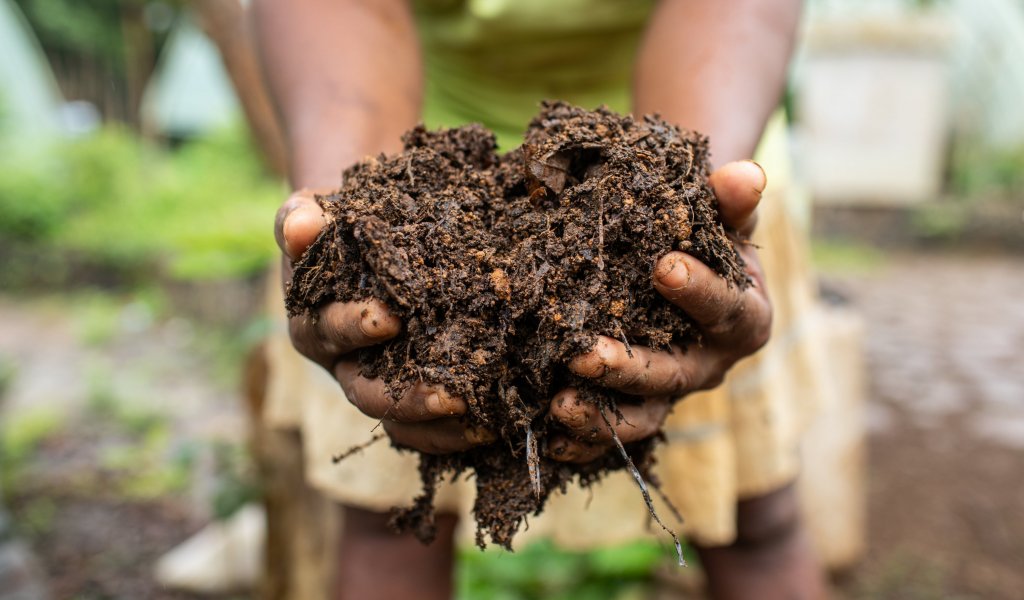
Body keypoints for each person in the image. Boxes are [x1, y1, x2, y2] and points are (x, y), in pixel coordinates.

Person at [252, 1, 828, 599]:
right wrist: (349, 222)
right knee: (388, 520)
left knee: (755, 515)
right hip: (411, 141)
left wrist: (689, 202)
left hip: (705, 110)